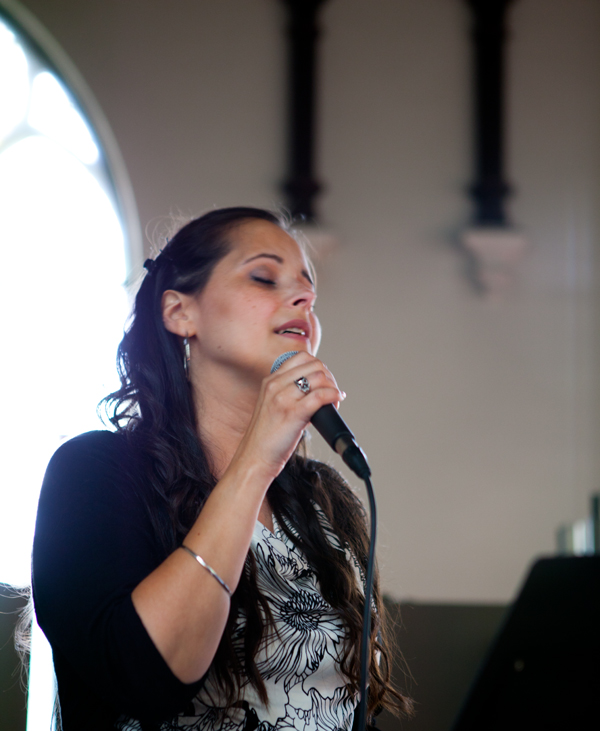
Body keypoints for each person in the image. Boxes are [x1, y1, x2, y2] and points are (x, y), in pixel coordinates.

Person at [32, 207, 411, 730]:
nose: (303, 299)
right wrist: (255, 461)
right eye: (264, 278)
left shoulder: (324, 497)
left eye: (308, 290)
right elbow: (145, 679)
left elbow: (353, 704)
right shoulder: (95, 472)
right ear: (180, 313)